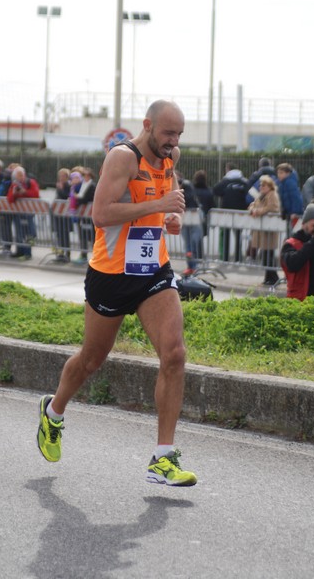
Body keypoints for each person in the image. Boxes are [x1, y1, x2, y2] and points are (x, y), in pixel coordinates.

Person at [36, 100, 197, 487]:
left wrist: (172, 220)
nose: (173, 142)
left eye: (178, 135)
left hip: (152, 271)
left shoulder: (169, 158)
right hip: (110, 273)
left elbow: (169, 207)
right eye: (167, 134)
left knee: (174, 354)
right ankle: (53, 412)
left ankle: (163, 458)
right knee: (91, 359)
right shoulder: (122, 158)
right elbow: (101, 214)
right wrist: (158, 205)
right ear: (147, 125)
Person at [248, 175, 281, 285]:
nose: (261, 187)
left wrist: (258, 212)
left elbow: (272, 208)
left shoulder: (272, 195)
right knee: (265, 254)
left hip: (269, 231)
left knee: (267, 254)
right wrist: (252, 209)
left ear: (269, 186)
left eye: (263, 185)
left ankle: (273, 278)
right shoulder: (261, 195)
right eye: (260, 185)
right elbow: (253, 204)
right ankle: (268, 278)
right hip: (262, 230)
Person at [213, 163, 248, 261]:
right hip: (240, 213)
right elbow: (250, 194)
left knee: (226, 235)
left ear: (228, 170)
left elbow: (215, 190)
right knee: (238, 236)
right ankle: (238, 258)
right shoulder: (244, 181)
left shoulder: (226, 181)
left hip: (227, 213)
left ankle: (225, 258)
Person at [7, 166, 39, 260]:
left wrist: (25, 192)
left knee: (28, 233)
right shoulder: (14, 185)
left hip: (28, 213)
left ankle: (27, 253)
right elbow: (10, 199)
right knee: (19, 234)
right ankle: (19, 251)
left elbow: (36, 194)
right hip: (18, 213)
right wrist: (14, 193)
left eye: (21, 175)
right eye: (18, 175)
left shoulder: (31, 182)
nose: (20, 177)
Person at [177, 171, 203, 275]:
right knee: (188, 244)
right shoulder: (184, 186)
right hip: (185, 219)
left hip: (193, 218)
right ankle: (190, 266)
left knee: (193, 243)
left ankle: (195, 265)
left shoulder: (187, 185)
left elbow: (187, 199)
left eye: (178, 181)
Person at [73, 167, 97, 265]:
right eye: (83, 175)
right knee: (82, 236)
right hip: (82, 216)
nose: (84, 177)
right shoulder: (82, 184)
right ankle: (83, 255)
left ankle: (94, 257)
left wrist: (77, 199)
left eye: (86, 175)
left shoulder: (92, 186)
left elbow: (86, 198)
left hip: (90, 216)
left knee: (92, 238)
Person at [276, 163, 303, 235]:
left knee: (293, 233)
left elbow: (295, 198)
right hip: (288, 213)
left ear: (288, 173)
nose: (279, 175)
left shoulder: (289, 183)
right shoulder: (282, 183)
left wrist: (295, 212)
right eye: (278, 173)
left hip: (293, 214)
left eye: (281, 173)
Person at [53, 168, 72, 263]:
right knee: (59, 234)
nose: (61, 178)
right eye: (60, 176)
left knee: (65, 234)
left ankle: (67, 253)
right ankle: (60, 253)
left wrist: (60, 189)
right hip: (58, 214)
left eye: (63, 176)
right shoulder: (59, 185)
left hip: (65, 215)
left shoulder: (68, 185)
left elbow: (66, 196)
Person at [192, 169, 214, 236]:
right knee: (199, 239)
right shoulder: (209, 191)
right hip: (204, 219)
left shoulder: (191, 190)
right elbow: (212, 205)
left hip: (191, 218)